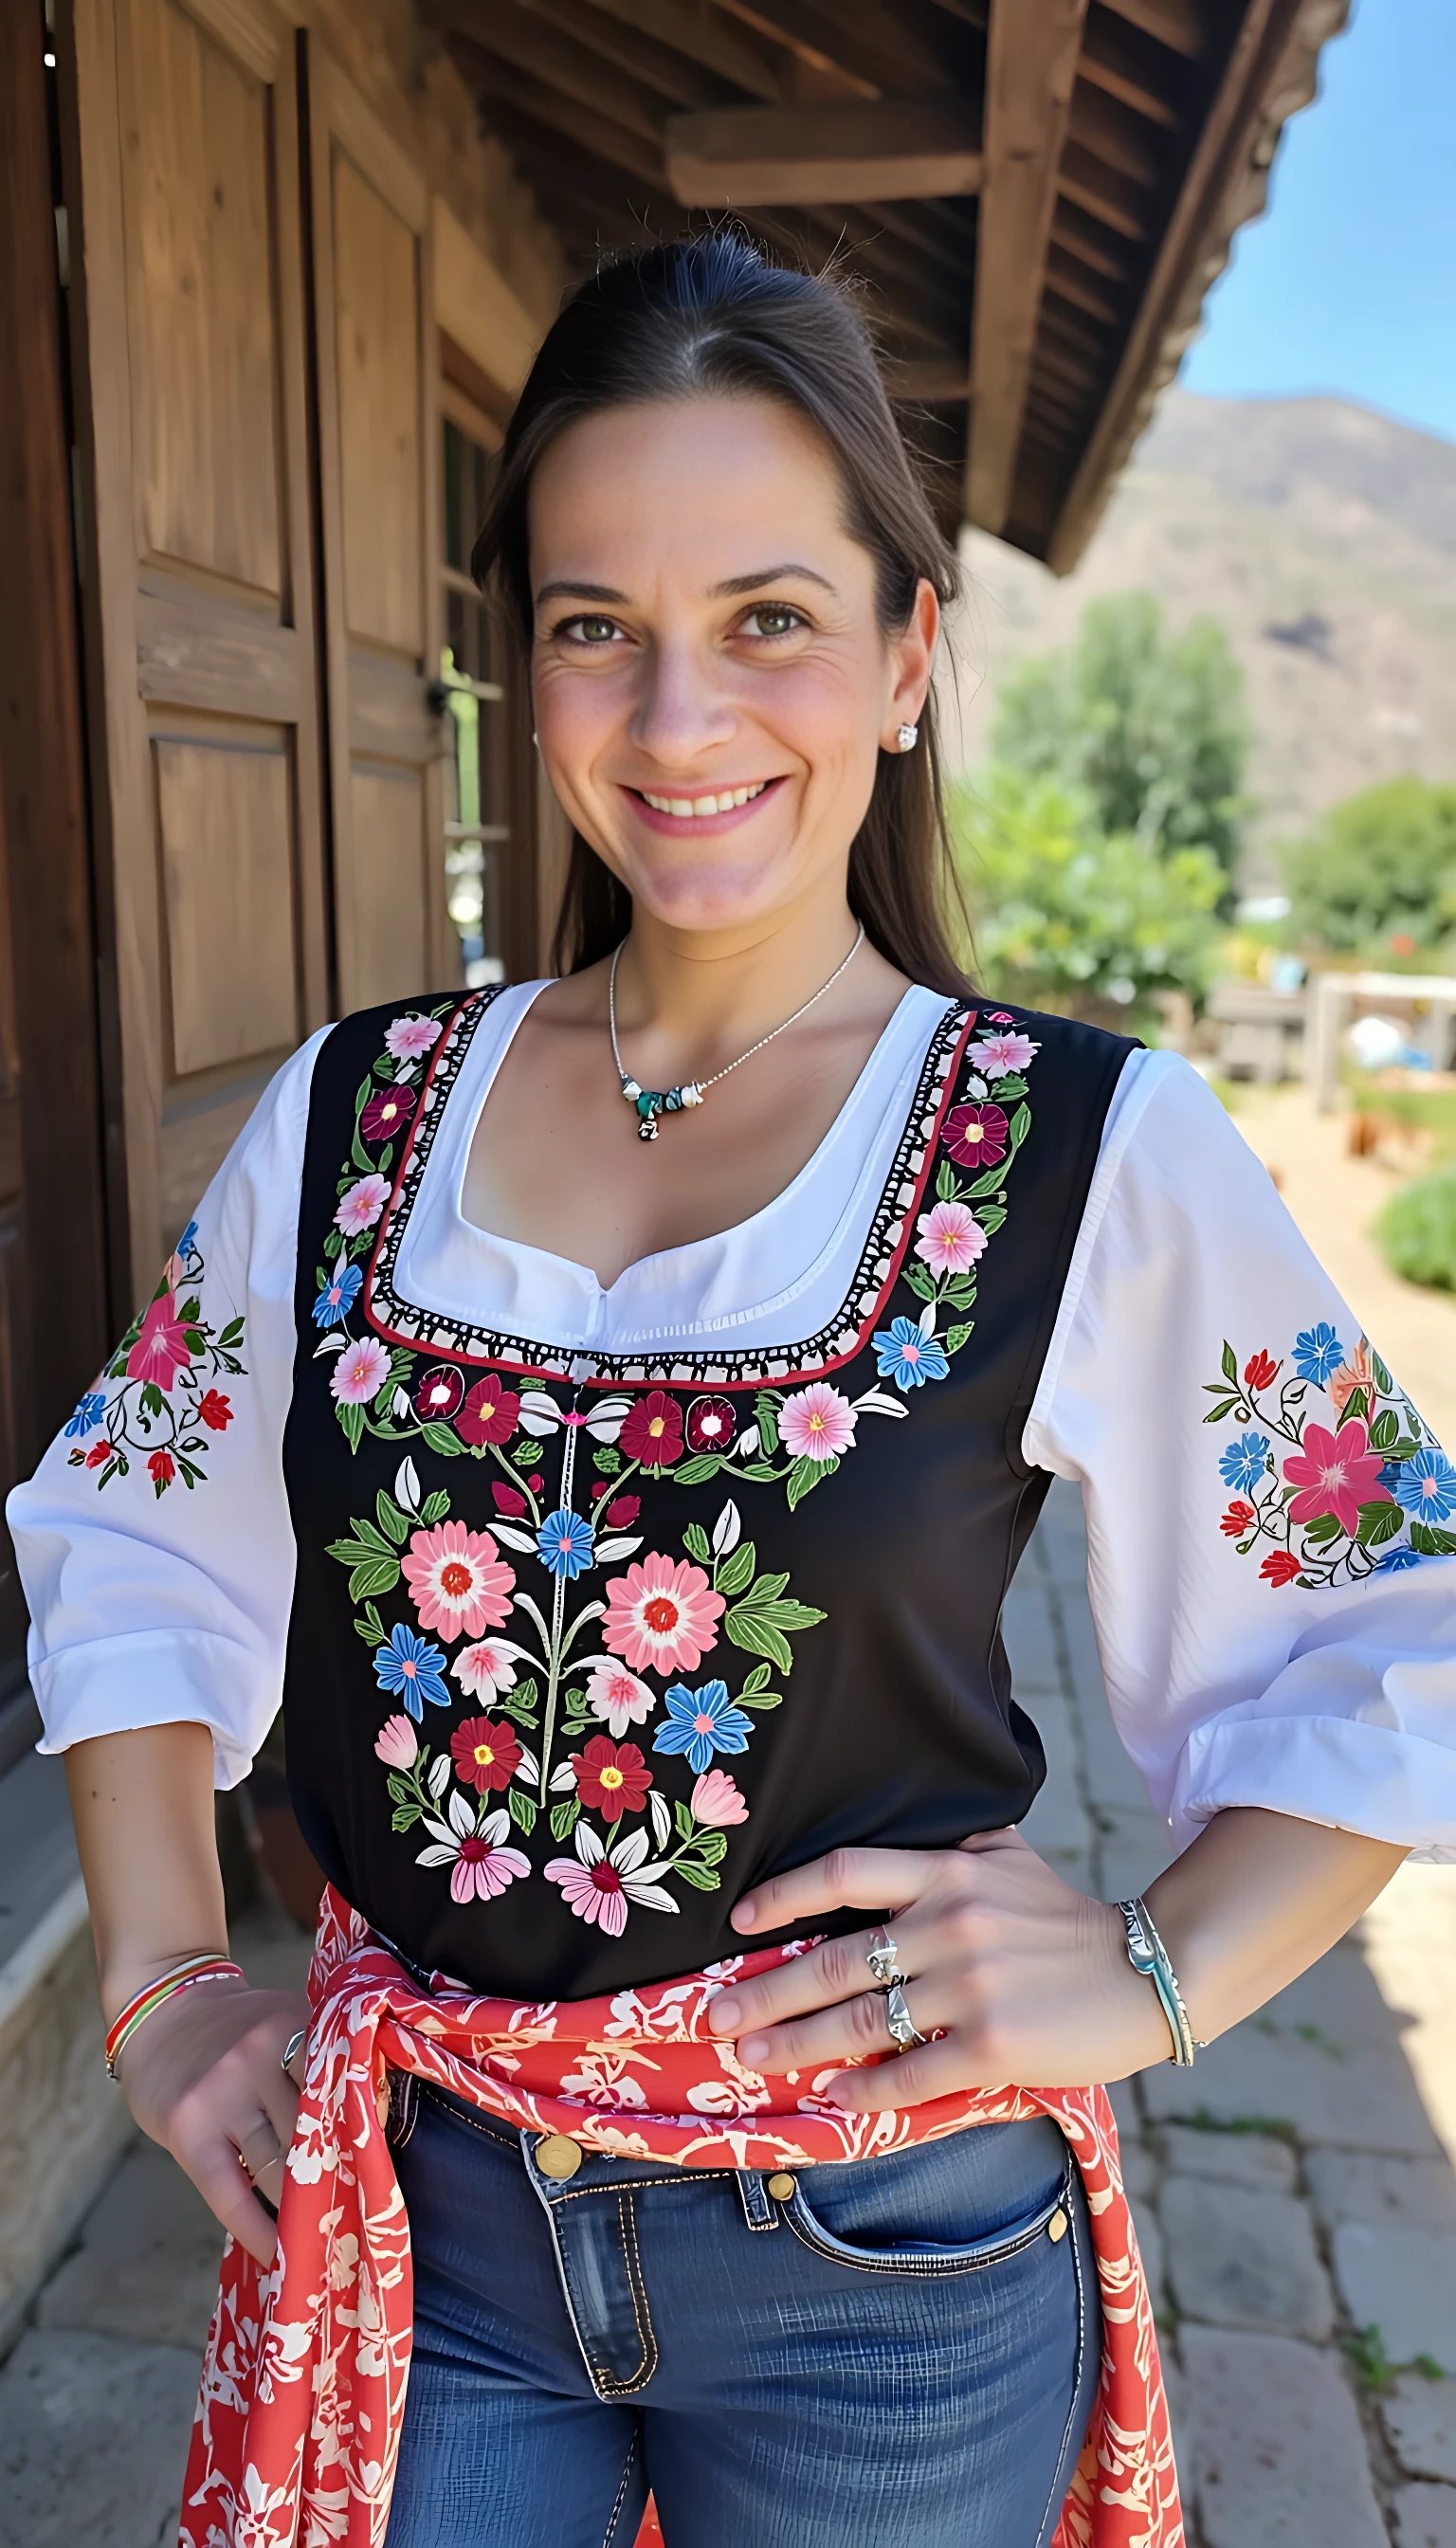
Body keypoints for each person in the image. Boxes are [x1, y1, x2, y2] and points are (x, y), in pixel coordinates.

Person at [10, 234, 1455, 2548]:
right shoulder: (360, 1113)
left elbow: (1390, 1620)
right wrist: (173, 1980)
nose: (680, 724)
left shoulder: (1081, 1141)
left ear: (906, 657)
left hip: (884, 2268)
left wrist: (1157, 1973)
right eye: (600, 630)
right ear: (535, 674)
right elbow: (131, 1526)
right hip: (424, 2216)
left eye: (769, 619)